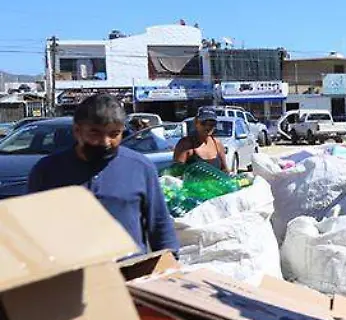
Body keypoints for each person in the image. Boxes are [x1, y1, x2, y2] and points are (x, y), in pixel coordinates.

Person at [27, 94, 178, 254]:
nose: (105, 142)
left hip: (130, 267)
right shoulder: (47, 170)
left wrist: (170, 260)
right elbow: (31, 230)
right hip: (71, 267)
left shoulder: (141, 168)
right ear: (77, 131)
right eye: (95, 133)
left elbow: (160, 225)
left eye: (114, 134)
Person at [173, 106, 229, 173]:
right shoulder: (185, 144)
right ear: (196, 122)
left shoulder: (217, 144)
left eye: (212, 124)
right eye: (203, 123)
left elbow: (225, 170)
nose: (207, 127)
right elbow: (176, 172)